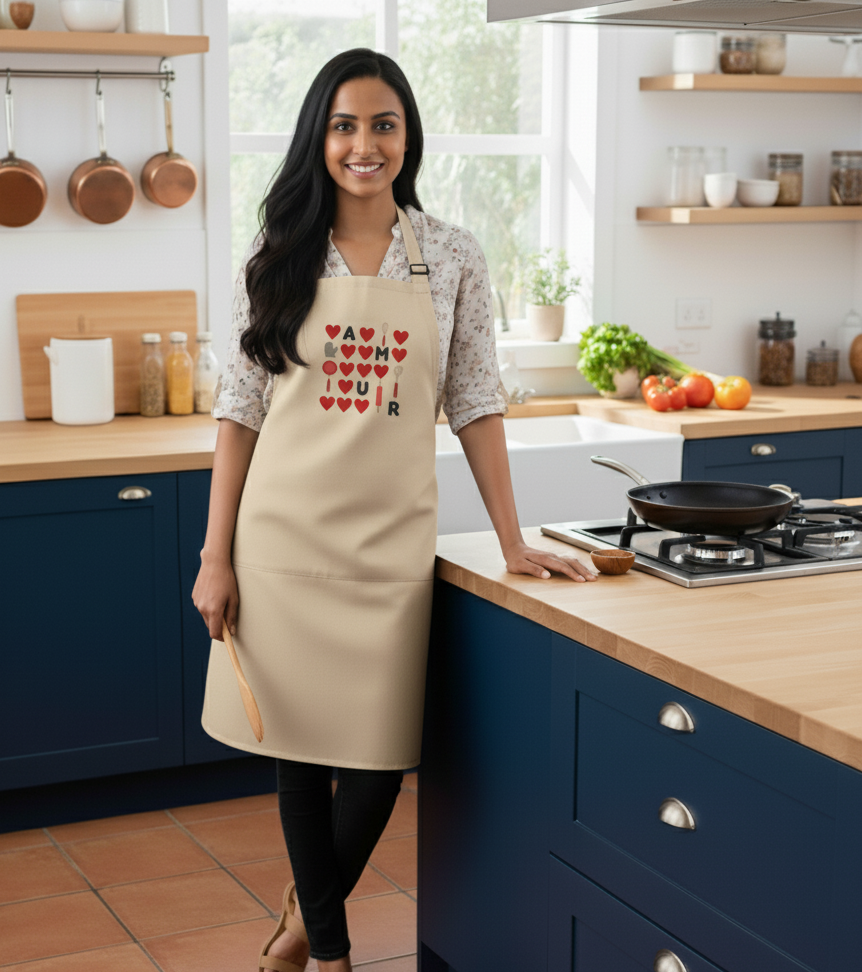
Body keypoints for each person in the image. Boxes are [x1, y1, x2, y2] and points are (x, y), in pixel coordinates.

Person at [192, 47, 596, 972]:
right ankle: (324, 955)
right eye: (344, 126)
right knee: (301, 755)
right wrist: (217, 555)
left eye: (383, 125)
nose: (363, 145)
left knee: (377, 762)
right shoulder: (279, 251)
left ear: (408, 137)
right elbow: (239, 410)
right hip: (283, 542)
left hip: (389, 551)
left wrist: (513, 538)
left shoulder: (450, 252)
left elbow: (476, 398)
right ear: (318, 138)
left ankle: (306, 910)